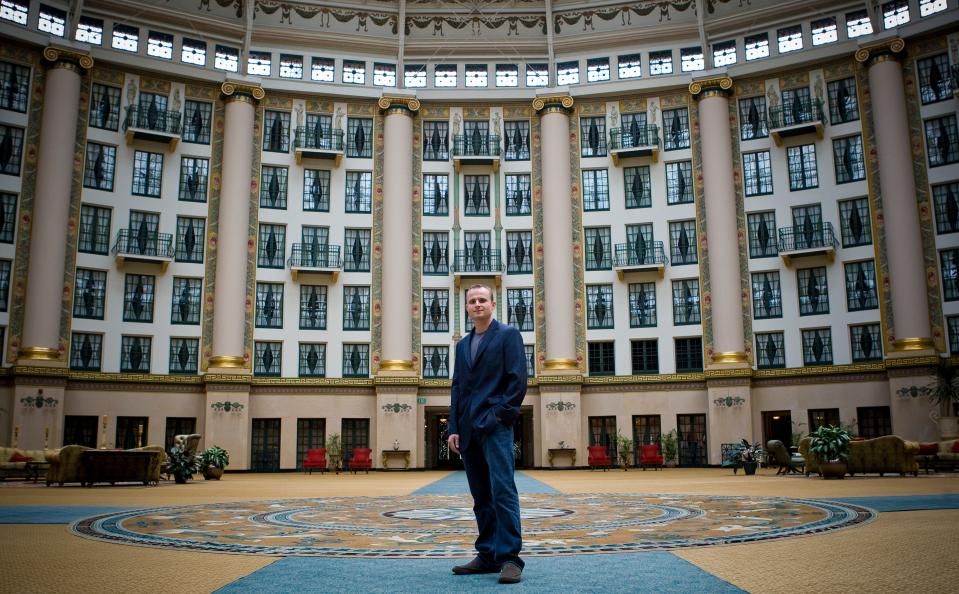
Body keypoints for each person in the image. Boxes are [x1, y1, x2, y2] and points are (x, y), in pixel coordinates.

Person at [448, 283, 528, 584]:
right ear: (467, 308)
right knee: (481, 496)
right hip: (468, 431)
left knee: (503, 492)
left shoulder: (508, 335)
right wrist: (453, 429)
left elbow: (517, 381)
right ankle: (487, 555)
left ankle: (510, 558)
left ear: (493, 304)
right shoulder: (462, 344)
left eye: (483, 299)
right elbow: (458, 388)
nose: (477, 304)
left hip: (495, 429)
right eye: (472, 301)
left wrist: (497, 417)